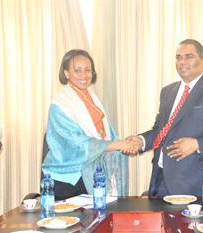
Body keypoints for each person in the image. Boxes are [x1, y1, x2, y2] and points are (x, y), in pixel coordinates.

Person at [128, 39, 203, 196]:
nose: (182, 62)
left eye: (189, 56)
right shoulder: (167, 92)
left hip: (196, 183)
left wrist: (197, 144)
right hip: (160, 179)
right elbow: (161, 130)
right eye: (178, 57)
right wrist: (141, 141)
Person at [42, 49, 139, 200]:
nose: (84, 75)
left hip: (93, 173)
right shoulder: (59, 105)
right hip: (70, 178)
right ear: (66, 73)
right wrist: (119, 145)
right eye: (78, 70)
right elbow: (76, 143)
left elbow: (107, 134)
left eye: (88, 70)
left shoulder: (92, 98)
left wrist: (126, 145)